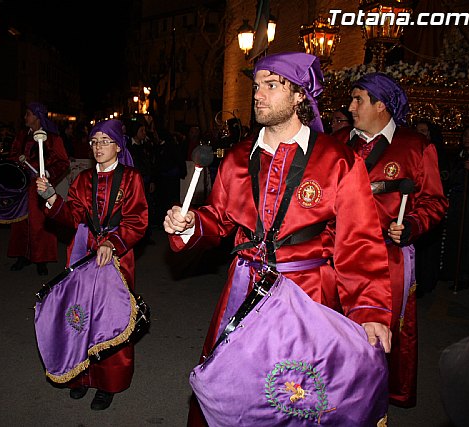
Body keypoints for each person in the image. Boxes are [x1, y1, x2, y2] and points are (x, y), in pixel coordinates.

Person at [163, 52, 393, 427]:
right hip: (243, 288)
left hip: (307, 297)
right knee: (231, 385)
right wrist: (189, 224)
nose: (258, 95)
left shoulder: (339, 160)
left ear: (300, 95)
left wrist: (369, 310)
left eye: (272, 86)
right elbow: (218, 219)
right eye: (257, 86)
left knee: (297, 397)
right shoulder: (237, 158)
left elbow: (360, 242)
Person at [334, 72, 448, 408]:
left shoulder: (415, 147)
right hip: (336, 255)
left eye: (358, 100)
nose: (351, 107)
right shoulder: (338, 143)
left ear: (381, 105)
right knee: (335, 327)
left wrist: (411, 224)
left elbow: (435, 201)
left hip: (388, 258)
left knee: (382, 333)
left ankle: (373, 401)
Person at [36, 119, 148, 410]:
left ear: (118, 145)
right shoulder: (83, 179)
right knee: (80, 315)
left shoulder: (131, 178)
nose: (98, 147)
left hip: (117, 256)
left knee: (109, 319)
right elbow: (72, 216)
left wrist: (113, 243)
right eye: (94, 141)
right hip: (83, 253)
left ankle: (107, 384)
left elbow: (138, 220)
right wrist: (51, 197)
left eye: (104, 141)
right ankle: (81, 377)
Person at [7, 102, 69, 276]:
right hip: (22, 186)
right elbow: (12, 155)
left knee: (40, 223)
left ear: (37, 116)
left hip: (39, 186)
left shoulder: (52, 138)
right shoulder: (22, 135)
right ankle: (23, 255)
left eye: (28, 114)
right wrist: (17, 162)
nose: (25, 117)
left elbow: (63, 162)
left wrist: (48, 172)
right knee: (20, 222)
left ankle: (41, 259)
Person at [413, 118, 449, 296]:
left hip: (426, 213)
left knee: (428, 253)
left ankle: (427, 281)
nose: (421, 134)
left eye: (424, 131)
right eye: (418, 131)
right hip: (412, 213)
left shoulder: (434, 152)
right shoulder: (412, 152)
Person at [442, 125, 469, 290]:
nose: (467, 138)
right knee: (454, 234)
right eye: (465, 135)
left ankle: (465, 274)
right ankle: (451, 271)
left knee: (468, 238)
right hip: (457, 201)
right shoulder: (457, 156)